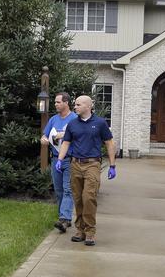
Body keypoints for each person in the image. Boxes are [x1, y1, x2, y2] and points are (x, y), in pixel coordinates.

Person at [55, 95, 116, 246]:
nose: (75, 107)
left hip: (92, 164)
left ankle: (90, 231)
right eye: (75, 104)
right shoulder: (73, 124)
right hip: (75, 164)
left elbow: (109, 144)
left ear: (88, 106)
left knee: (88, 197)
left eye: (78, 104)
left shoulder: (100, 123)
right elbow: (66, 143)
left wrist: (112, 165)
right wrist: (60, 159)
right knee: (77, 198)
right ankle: (80, 230)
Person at [41, 92, 78, 233]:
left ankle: (64, 219)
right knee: (59, 191)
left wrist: (66, 134)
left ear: (66, 102)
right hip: (56, 159)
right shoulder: (53, 120)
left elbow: (80, 136)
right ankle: (63, 218)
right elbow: (45, 135)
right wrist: (44, 139)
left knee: (68, 189)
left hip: (70, 159)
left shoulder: (74, 119)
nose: (55, 104)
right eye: (55, 102)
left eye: (58, 102)